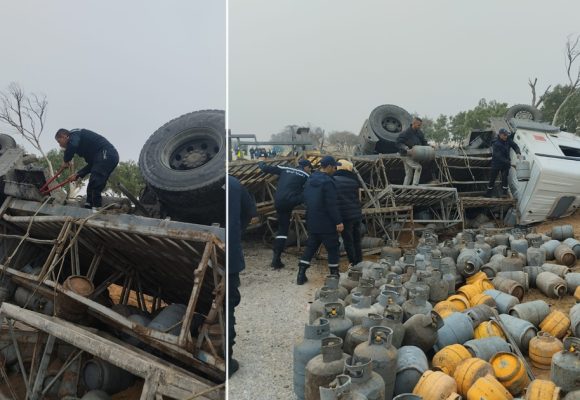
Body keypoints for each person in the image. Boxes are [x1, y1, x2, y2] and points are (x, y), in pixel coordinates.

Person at [297, 156, 344, 285]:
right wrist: (338, 221)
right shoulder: (329, 182)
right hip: (327, 222)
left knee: (311, 247)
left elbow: (304, 198)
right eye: (334, 166)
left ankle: (300, 275)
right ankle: (334, 276)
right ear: (328, 167)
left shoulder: (310, 179)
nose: (335, 169)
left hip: (312, 220)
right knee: (333, 248)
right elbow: (331, 205)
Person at [227, 175, 257, 377]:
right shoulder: (233, 184)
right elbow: (249, 212)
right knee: (227, 302)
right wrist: (236, 233)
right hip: (227, 254)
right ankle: (226, 362)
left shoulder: (179, 182)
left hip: (189, 250)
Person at [259, 158, 312, 268]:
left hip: (278, 201)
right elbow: (312, 188)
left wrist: (261, 161)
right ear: (306, 167)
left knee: (283, 228)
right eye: (309, 169)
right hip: (291, 201)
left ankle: (276, 258)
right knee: (307, 194)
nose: (309, 170)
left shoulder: (285, 168)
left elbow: (264, 168)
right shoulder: (306, 175)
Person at [55, 128, 119, 209]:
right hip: (103, 158)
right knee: (91, 187)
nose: (60, 145)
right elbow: (92, 165)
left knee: (95, 180)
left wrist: (66, 160)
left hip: (107, 153)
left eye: (59, 141)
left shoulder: (75, 133)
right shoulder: (90, 151)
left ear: (64, 136)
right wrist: (77, 174)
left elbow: (73, 145)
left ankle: (96, 208)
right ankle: (89, 206)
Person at [333, 159, 363, 267]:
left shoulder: (334, 180)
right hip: (356, 215)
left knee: (348, 241)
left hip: (345, 216)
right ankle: (359, 261)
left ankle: (353, 263)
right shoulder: (355, 181)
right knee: (357, 240)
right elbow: (359, 199)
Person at [486, 128, 521, 198]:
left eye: (507, 135)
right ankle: (488, 193)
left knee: (505, 178)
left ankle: (504, 193)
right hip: (496, 163)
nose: (506, 136)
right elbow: (499, 157)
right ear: (500, 135)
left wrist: (518, 153)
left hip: (505, 164)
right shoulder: (495, 143)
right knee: (492, 178)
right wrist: (510, 163)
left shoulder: (508, 140)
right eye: (504, 135)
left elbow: (515, 146)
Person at [397, 117, 428, 185]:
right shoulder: (405, 133)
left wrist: (430, 146)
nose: (420, 127)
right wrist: (405, 147)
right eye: (418, 125)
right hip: (405, 155)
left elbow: (424, 142)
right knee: (418, 167)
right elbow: (398, 143)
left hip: (414, 155)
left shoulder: (420, 133)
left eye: (420, 125)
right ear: (413, 124)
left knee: (409, 175)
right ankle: (414, 187)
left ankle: (403, 191)